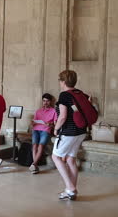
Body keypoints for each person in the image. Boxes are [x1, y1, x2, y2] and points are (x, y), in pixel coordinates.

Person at [52, 70, 87, 201]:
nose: (60, 83)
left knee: (56, 157)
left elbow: (62, 116)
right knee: (71, 160)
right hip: (81, 131)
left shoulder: (64, 95)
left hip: (68, 132)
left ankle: (70, 187)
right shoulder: (80, 93)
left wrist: (55, 129)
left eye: (60, 81)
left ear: (64, 82)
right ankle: (72, 191)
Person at [29, 93, 57, 174]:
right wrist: (32, 123)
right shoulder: (38, 111)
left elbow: (55, 123)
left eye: (47, 101)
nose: (45, 103)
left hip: (45, 130)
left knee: (41, 145)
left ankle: (34, 164)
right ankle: (34, 166)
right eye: (44, 101)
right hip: (36, 129)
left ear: (50, 102)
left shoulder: (54, 111)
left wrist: (50, 124)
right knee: (34, 145)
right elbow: (34, 121)